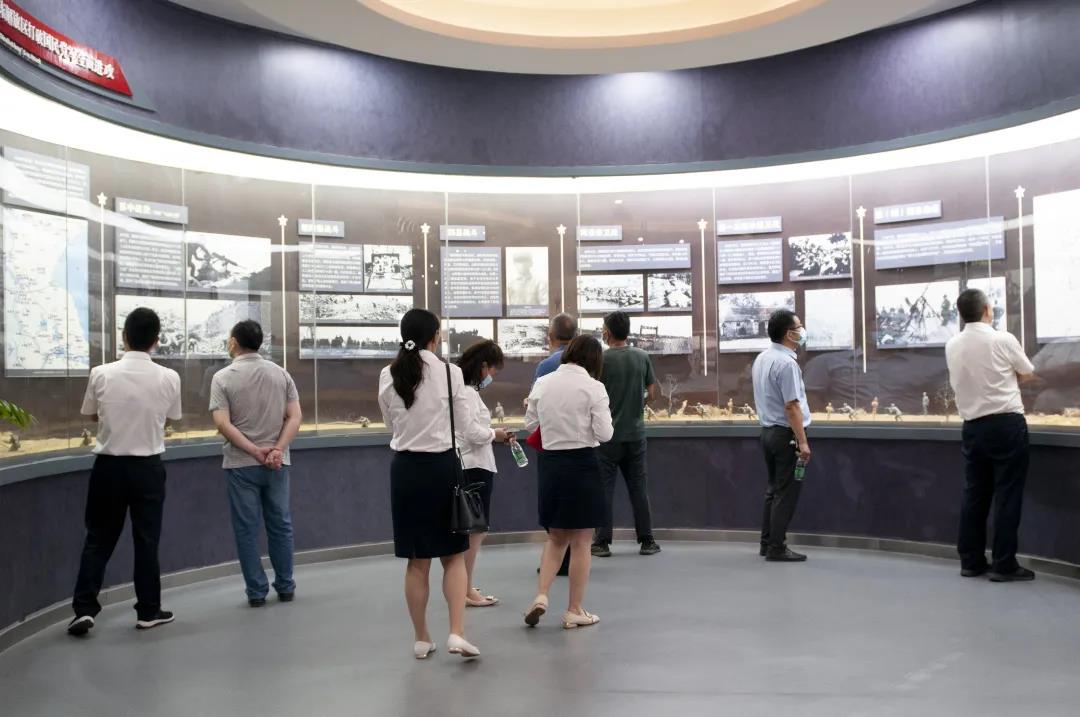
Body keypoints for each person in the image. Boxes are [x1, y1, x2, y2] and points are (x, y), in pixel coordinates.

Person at [68, 308, 182, 636]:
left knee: (98, 539)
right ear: (156, 340)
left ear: (124, 336)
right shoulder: (169, 377)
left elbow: (91, 414)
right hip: (148, 467)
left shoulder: (101, 373)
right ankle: (148, 610)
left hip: (108, 467)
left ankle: (84, 610)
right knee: (147, 541)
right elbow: (171, 416)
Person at [378, 309, 481, 659]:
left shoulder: (388, 374)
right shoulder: (451, 373)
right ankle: (457, 632)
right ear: (435, 337)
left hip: (405, 471)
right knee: (454, 556)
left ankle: (422, 638)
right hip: (442, 468)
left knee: (416, 560)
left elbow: (390, 424)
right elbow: (466, 427)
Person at [945, 289, 1036, 582]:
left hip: (972, 427)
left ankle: (971, 561)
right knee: (1007, 495)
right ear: (987, 310)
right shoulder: (1003, 339)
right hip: (1006, 424)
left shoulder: (952, 344)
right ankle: (1003, 564)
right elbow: (1027, 372)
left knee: (975, 493)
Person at [210, 320, 302, 607]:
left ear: (234, 342)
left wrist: (254, 451)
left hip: (241, 464)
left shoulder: (223, 377)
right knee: (281, 525)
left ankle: (256, 592)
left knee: (247, 530)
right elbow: (295, 417)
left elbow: (222, 423)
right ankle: (285, 586)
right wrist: (277, 449)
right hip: (277, 463)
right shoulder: (281, 374)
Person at [523, 335, 613, 630]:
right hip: (582, 464)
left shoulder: (542, 383)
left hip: (551, 465)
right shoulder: (594, 387)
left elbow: (530, 424)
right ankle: (574, 609)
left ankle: (541, 595)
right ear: (595, 360)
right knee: (582, 541)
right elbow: (605, 434)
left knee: (556, 538)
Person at [592, 311, 660, 557]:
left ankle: (601, 542)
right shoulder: (642, 356)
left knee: (604, 490)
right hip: (635, 435)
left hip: (606, 438)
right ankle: (647, 540)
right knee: (639, 489)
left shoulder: (600, 359)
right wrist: (638, 403)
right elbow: (652, 393)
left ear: (607, 332)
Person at [455, 340, 514, 608]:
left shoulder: (466, 392)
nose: (491, 377)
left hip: (475, 464)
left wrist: (493, 435)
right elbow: (472, 433)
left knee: (474, 531)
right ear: (482, 367)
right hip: (474, 467)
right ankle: (466, 589)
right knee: (474, 532)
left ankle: (464, 584)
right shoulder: (467, 393)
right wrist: (495, 434)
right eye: (492, 371)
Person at [751, 309, 812, 562]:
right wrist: (803, 442)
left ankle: (767, 543)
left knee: (774, 490)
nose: (802, 331)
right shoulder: (787, 364)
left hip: (768, 433)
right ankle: (777, 547)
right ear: (789, 333)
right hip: (787, 435)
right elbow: (792, 406)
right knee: (785, 493)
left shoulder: (763, 358)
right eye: (799, 327)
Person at [532, 312, 578, 576]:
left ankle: (558, 558)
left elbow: (534, 409)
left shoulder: (545, 367)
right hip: (581, 446)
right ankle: (575, 558)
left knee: (553, 503)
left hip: (551, 444)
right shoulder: (589, 364)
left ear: (550, 336)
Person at [534, 313, 578, 381]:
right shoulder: (589, 362)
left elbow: (537, 387)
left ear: (551, 337)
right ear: (576, 336)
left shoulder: (545, 366)